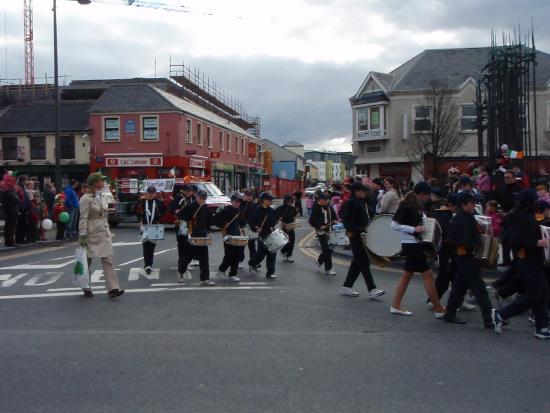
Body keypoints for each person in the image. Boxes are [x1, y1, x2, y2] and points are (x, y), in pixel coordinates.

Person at [492, 189, 550, 339]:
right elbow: (515, 241)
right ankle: (501, 314)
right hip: (529, 260)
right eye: (535, 201)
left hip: (532, 260)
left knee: (541, 293)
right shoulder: (524, 218)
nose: (537, 203)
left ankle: (542, 326)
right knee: (533, 295)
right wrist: (538, 242)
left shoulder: (524, 216)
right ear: (529, 202)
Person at [389, 182, 445, 317]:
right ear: (421, 194)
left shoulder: (417, 205)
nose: (428, 198)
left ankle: (396, 305)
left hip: (415, 243)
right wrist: (413, 229)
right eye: (427, 195)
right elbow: (394, 225)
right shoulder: (406, 205)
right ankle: (438, 308)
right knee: (428, 274)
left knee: (407, 276)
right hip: (411, 244)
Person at [442, 192, 494, 327]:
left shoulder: (465, 217)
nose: (474, 205)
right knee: (479, 287)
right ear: (464, 204)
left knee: (459, 286)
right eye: (471, 203)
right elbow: (465, 239)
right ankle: (489, 319)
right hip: (466, 256)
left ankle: (450, 313)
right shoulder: (462, 219)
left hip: (464, 256)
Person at [78, 173, 124, 299]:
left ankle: (113, 288)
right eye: (101, 181)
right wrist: (82, 234)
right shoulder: (85, 198)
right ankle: (86, 286)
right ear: (94, 183)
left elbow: (105, 212)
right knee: (87, 261)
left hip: (104, 231)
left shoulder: (102, 196)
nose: (103, 183)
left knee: (108, 259)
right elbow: (83, 218)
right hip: (91, 232)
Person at [339, 182, 385, 298]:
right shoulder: (350, 203)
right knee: (363, 262)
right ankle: (372, 289)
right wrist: (361, 230)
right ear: (356, 191)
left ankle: (346, 286)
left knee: (357, 262)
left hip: (363, 235)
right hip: (356, 236)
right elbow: (347, 223)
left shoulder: (363, 202)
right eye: (362, 191)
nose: (365, 192)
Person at [175, 190, 215, 286]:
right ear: (197, 197)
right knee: (187, 257)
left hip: (203, 235)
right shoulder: (191, 206)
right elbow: (180, 214)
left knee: (204, 258)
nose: (202, 200)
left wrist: (209, 229)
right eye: (201, 198)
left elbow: (208, 220)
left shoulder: (205, 207)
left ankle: (204, 279)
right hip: (193, 234)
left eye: (204, 198)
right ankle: (180, 272)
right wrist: (190, 217)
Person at [248, 192, 278, 279]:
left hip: (270, 232)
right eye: (269, 200)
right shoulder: (257, 210)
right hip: (261, 233)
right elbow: (251, 222)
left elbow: (273, 221)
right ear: (264, 200)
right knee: (261, 253)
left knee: (272, 252)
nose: (271, 201)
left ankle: (270, 272)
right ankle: (252, 263)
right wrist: (256, 228)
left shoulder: (271, 210)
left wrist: (275, 223)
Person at [214, 193, 243, 282]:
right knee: (229, 255)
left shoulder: (239, 211)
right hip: (228, 235)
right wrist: (223, 225)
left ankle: (233, 274)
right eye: (237, 201)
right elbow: (215, 219)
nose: (238, 203)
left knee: (237, 255)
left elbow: (240, 223)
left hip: (237, 235)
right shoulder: (226, 210)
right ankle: (222, 270)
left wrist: (241, 232)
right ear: (232, 201)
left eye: (239, 202)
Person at [170, 184, 195, 283]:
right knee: (182, 243)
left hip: (190, 224)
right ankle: (181, 262)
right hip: (181, 223)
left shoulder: (192, 198)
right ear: (184, 191)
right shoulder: (179, 198)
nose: (190, 193)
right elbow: (172, 208)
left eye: (191, 191)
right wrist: (176, 211)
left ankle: (186, 262)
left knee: (189, 243)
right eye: (188, 191)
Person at [139, 186, 166, 275]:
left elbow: (164, 211)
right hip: (145, 226)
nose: (151, 194)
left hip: (154, 226)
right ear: (146, 192)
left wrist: (158, 216)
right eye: (149, 192)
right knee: (146, 245)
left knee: (151, 246)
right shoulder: (142, 201)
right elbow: (136, 211)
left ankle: (149, 264)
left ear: (155, 193)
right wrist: (141, 199)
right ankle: (147, 265)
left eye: (152, 192)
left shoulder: (158, 202)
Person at [309, 193, 337, 275]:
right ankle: (329, 269)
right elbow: (311, 221)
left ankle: (319, 261)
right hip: (321, 232)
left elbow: (334, 218)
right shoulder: (316, 208)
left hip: (330, 231)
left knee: (329, 249)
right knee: (326, 249)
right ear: (320, 200)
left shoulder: (329, 207)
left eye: (327, 200)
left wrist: (336, 222)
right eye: (325, 200)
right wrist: (319, 226)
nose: (326, 201)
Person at [275, 194, 298, 263]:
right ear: (285, 200)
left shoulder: (292, 208)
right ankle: (283, 251)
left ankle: (289, 255)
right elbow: (276, 218)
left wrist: (294, 223)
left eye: (291, 200)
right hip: (283, 227)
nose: (290, 202)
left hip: (291, 226)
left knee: (292, 241)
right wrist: (282, 223)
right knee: (286, 242)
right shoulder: (280, 208)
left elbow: (294, 216)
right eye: (289, 200)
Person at [238, 190, 257, 266]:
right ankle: (240, 260)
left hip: (250, 227)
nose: (249, 197)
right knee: (242, 245)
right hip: (242, 226)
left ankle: (253, 262)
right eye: (247, 195)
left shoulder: (254, 205)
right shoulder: (240, 204)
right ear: (244, 196)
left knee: (252, 245)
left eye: (250, 196)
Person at [1, 173, 20, 247]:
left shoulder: (10, 190)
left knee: (10, 227)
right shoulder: (7, 191)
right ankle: (10, 242)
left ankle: (9, 242)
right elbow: (14, 200)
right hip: (10, 211)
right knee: (10, 227)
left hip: (12, 211)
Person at [15, 175, 30, 244]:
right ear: (22, 181)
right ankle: (20, 239)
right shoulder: (19, 188)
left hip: (24, 208)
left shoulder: (22, 188)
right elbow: (21, 199)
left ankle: (20, 239)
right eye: (26, 180)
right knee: (21, 225)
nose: (26, 182)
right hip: (22, 209)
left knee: (23, 225)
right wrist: (21, 209)